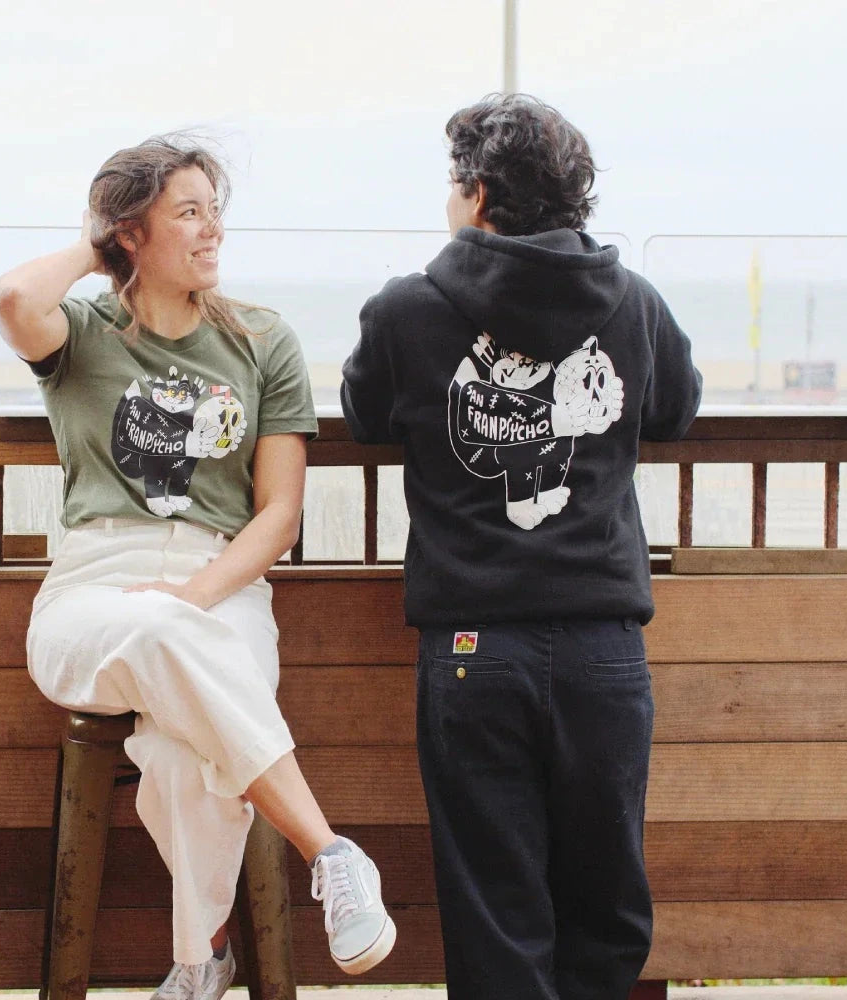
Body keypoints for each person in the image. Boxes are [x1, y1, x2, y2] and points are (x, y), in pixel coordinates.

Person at [0, 134, 395, 1000]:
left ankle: (199, 965)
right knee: (161, 640)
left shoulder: (262, 341)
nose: (213, 232)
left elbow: (278, 514)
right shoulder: (81, 335)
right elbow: (15, 295)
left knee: (180, 758)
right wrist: (101, 243)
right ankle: (332, 853)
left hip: (226, 582)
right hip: (93, 584)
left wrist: (195, 595)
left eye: (217, 211)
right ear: (132, 233)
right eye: (189, 213)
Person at [339, 94, 703, 1000]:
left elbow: (363, 411)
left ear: (479, 192)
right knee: (606, 900)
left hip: (472, 647)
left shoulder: (408, 310)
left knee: (494, 904)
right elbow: (675, 408)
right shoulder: (634, 304)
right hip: (603, 648)